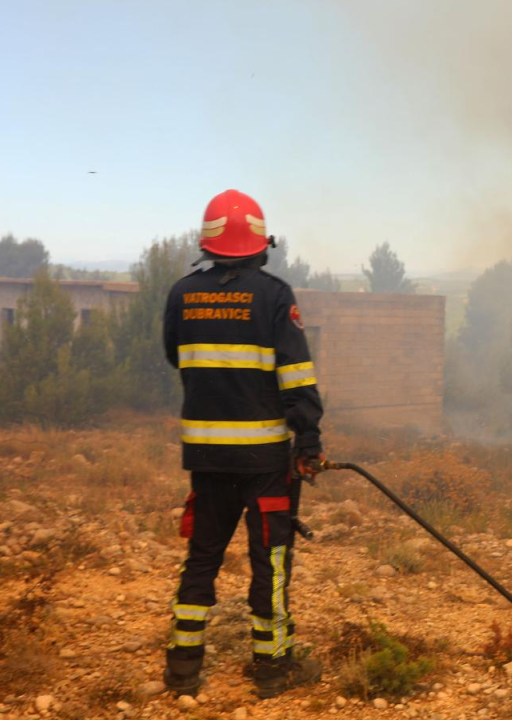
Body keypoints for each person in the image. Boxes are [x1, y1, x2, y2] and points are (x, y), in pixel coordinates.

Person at [161, 189, 325, 698]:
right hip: (264, 463)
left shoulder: (181, 293)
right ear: (261, 245)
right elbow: (296, 375)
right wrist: (309, 438)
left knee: (203, 558)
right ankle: (272, 670)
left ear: (207, 244)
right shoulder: (275, 297)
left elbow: (176, 357)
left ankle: (183, 670)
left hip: (206, 459)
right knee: (270, 562)